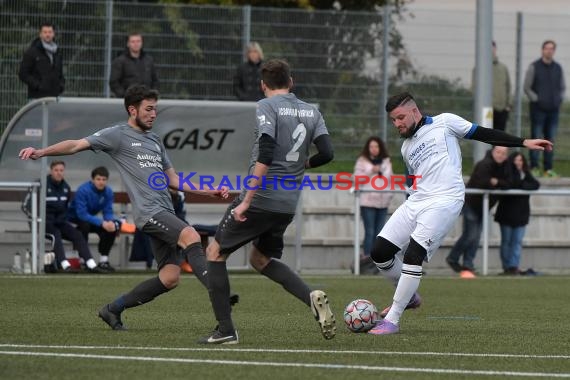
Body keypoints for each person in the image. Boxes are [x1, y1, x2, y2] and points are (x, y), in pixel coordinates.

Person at [19, 85, 230, 331]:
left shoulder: (155, 141)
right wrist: (41, 152)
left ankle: (113, 309)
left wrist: (209, 190)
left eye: (155, 109)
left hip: (165, 212)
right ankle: (218, 292)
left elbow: (173, 180)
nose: (154, 114)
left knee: (170, 278)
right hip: (149, 213)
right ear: (133, 110)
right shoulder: (117, 135)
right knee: (191, 235)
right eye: (148, 109)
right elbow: (76, 145)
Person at [366, 92, 551, 335]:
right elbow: (411, 180)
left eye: (400, 117)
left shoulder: (445, 122)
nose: (397, 124)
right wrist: (410, 203)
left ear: (414, 111)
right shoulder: (406, 147)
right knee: (379, 252)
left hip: (445, 200)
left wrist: (523, 142)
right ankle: (409, 297)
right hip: (416, 201)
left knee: (413, 254)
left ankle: (393, 319)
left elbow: (483, 134)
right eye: (393, 120)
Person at [200, 59, 335, 344]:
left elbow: (266, 152)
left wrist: (246, 200)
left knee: (214, 252)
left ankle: (225, 330)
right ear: (292, 81)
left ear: (263, 85)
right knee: (260, 259)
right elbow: (327, 153)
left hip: (261, 197)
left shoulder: (266, 106)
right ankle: (310, 296)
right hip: (287, 203)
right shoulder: (312, 111)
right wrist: (301, 165)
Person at [446, 146, 510, 277]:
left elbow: (509, 183)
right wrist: (496, 183)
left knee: (475, 238)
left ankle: (468, 265)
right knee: (470, 235)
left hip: (483, 207)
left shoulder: (505, 167)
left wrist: (496, 181)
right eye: (498, 152)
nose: (500, 155)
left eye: (503, 153)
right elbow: (483, 182)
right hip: (472, 204)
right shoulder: (484, 164)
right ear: (493, 152)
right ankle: (453, 258)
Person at [43, 161, 104, 273]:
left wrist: (62, 219)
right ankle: (65, 265)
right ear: (51, 171)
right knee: (56, 234)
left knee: (78, 234)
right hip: (44, 223)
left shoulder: (66, 187)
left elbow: (65, 207)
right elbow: (29, 206)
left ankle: (91, 264)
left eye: (61, 170)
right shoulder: (42, 185)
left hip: (60, 222)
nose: (59, 173)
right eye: (56, 170)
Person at [523, 40, 566, 178]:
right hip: (538, 110)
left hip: (553, 110)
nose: (549, 51)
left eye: (552, 49)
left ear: (554, 51)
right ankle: (534, 167)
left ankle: (548, 169)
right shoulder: (534, 67)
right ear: (542, 50)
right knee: (536, 137)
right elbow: (527, 87)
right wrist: (537, 99)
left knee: (550, 139)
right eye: (547, 48)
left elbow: (562, 87)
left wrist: (559, 99)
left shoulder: (558, 68)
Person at [495, 152, 540, 275]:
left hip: (521, 214)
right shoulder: (506, 172)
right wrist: (522, 185)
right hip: (506, 213)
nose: (518, 163)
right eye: (516, 160)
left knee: (517, 242)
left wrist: (522, 185)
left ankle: (513, 266)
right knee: (506, 242)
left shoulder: (526, 174)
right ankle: (506, 267)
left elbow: (536, 185)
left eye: (520, 160)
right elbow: (510, 184)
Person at [354, 136, 393, 274]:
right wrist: (371, 171)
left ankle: (377, 261)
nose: (374, 149)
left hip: (383, 202)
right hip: (368, 201)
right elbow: (357, 179)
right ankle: (366, 260)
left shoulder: (386, 161)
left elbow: (388, 178)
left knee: (380, 233)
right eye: (371, 147)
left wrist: (380, 170)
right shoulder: (362, 161)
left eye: (376, 146)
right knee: (369, 231)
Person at [67, 166, 119, 272]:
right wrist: (101, 223)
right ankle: (83, 260)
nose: (101, 182)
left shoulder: (108, 192)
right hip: (73, 219)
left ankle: (103, 261)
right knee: (84, 226)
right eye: (98, 179)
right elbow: (81, 214)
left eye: (104, 180)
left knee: (113, 227)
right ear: (92, 180)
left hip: (90, 219)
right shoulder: (83, 190)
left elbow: (108, 211)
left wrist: (109, 222)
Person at [18, 22, 65, 99]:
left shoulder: (57, 53)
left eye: (50, 32)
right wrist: (37, 86)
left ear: (53, 34)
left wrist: (61, 86)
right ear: (40, 34)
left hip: (54, 97)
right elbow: (23, 74)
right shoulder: (32, 52)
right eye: (45, 32)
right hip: (37, 98)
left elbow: (60, 73)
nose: (47, 35)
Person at [109, 33, 158, 98]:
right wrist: (124, 96)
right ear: (128, 44)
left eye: (138, 41)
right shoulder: (120, 61)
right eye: (133, 41)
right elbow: (114, 82)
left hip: (146, 100)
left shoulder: (149, 60)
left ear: (142, 43)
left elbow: (155, 80)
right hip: (127, 101)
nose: (136, 44)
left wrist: (152, 95)